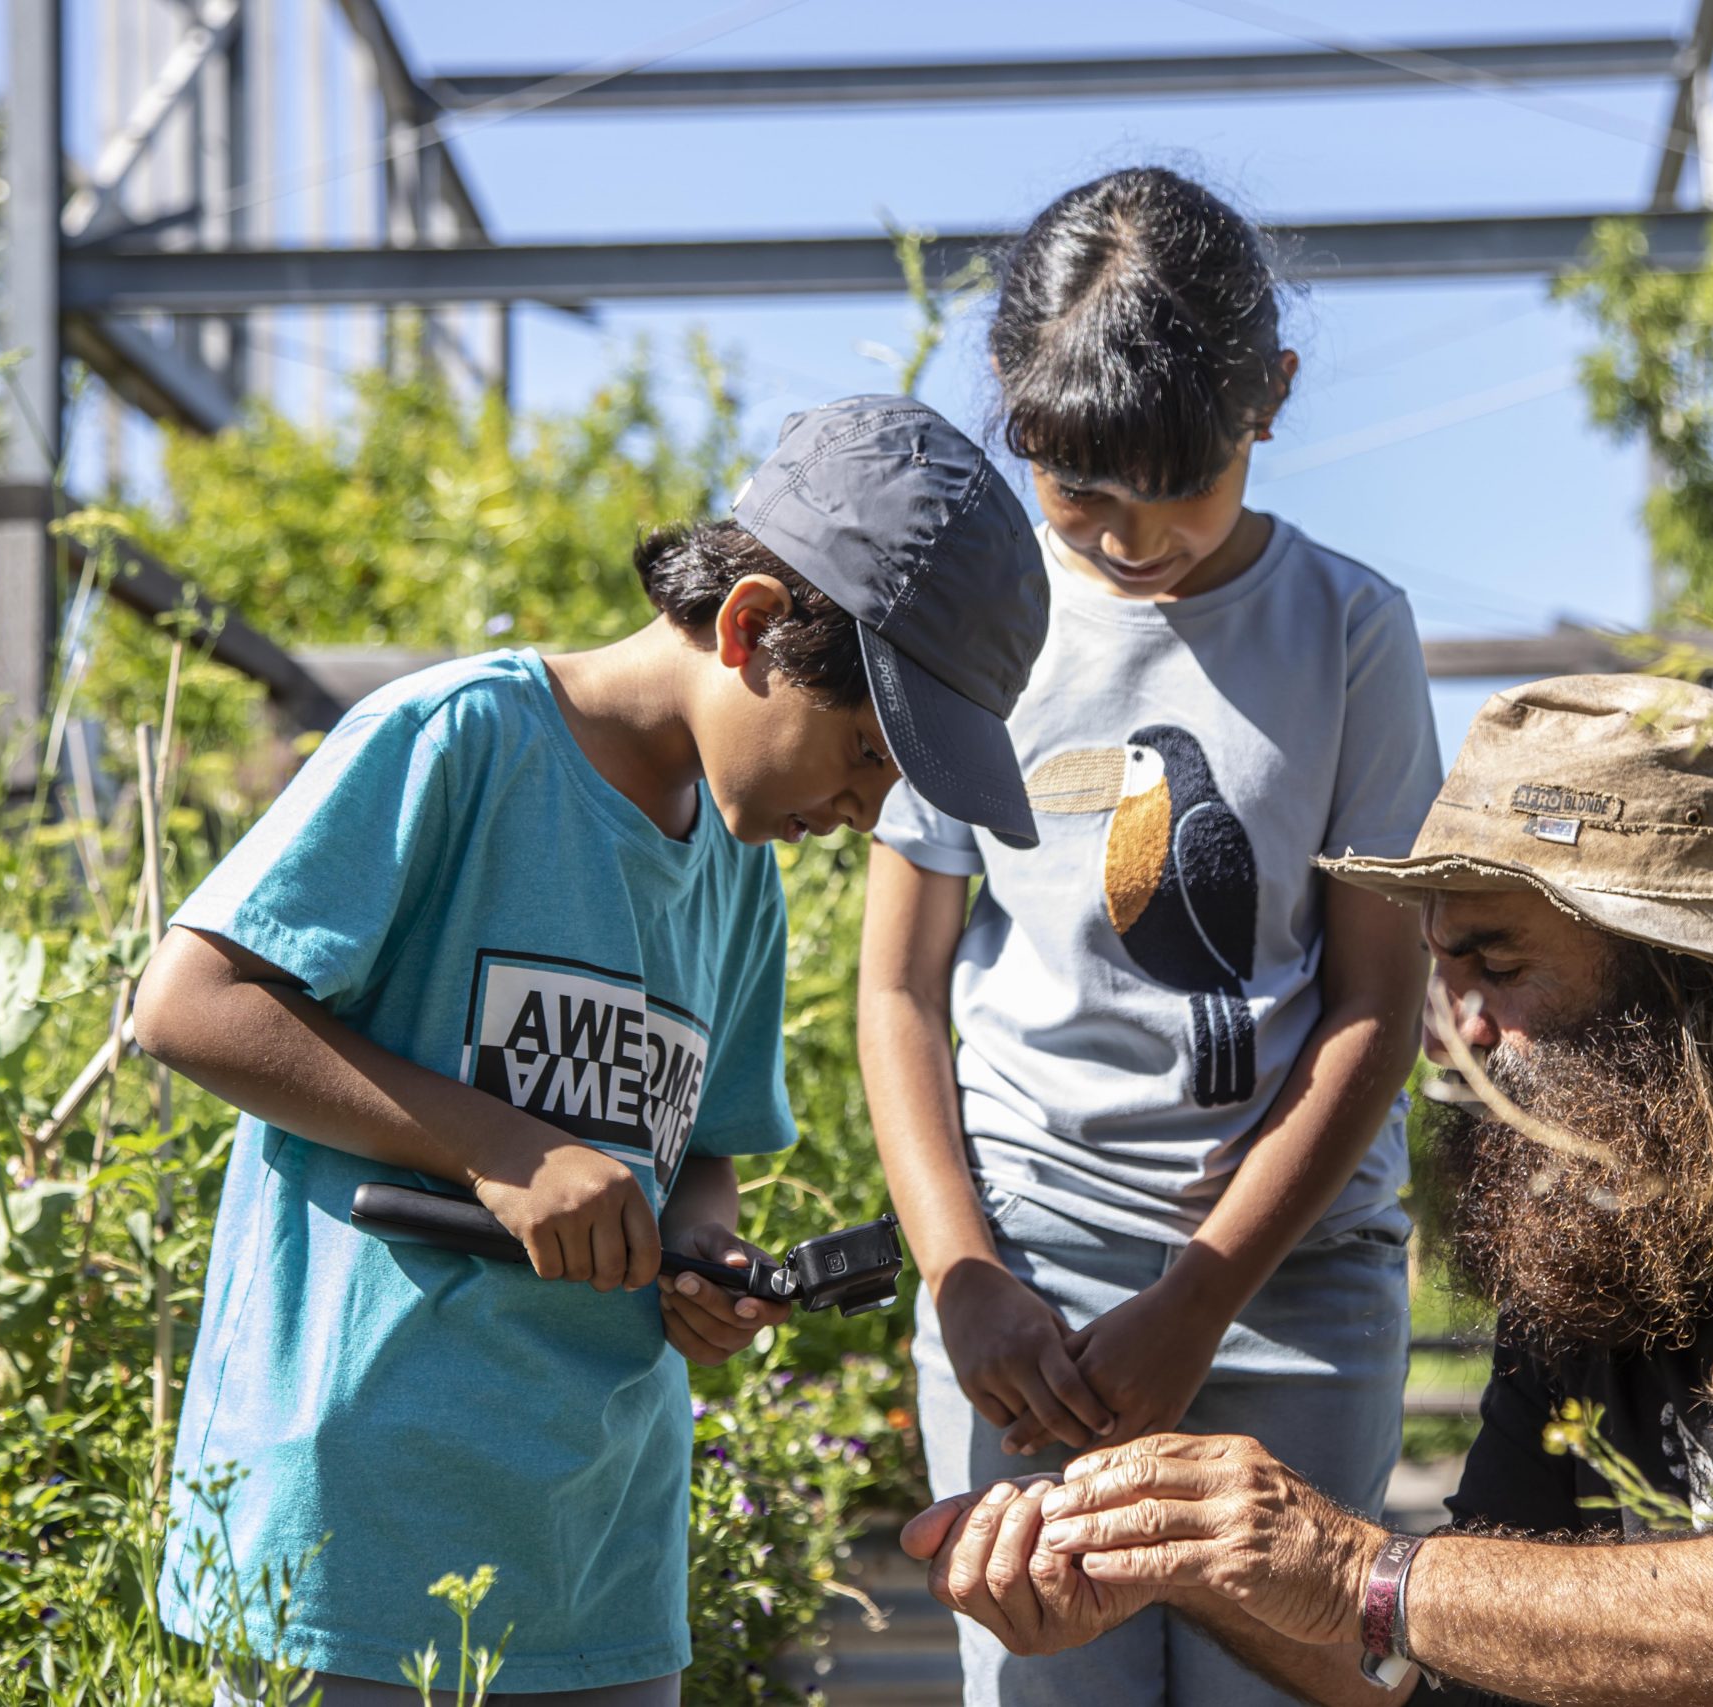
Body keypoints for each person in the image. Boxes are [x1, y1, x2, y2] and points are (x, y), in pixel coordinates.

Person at [905, 674, 1713, 1706]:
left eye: (1495, 964)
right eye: (1437, 972)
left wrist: (1353, 1562)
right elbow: (1452, 1669)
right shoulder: (1597, 1220)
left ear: (1696, 980)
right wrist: (1186, 1565)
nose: (1448, 1031)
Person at [134, 396, 1048, 1706]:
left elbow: (705, 1152)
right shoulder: (465, 742)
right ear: (748, 629)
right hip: (358, 1542)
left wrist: (710, 1263)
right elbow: (189, 1003)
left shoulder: (739, 878)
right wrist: (500, 1146)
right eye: (865, 754)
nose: (864, 813)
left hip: (596, 1556)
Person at [859, 166, 1441, 1707]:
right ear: (1013, 402)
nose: (1130, 541)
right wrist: (962, 1273)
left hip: (1288, 1283)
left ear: (1273, 400)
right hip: (1026, 1302)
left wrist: (1203, 1293)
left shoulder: (1350, 634)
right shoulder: (976, 626)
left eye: (1177, 487)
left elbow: (1381, 1003)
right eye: (1079, 493)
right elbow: (900, 991)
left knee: (1290, 1679)